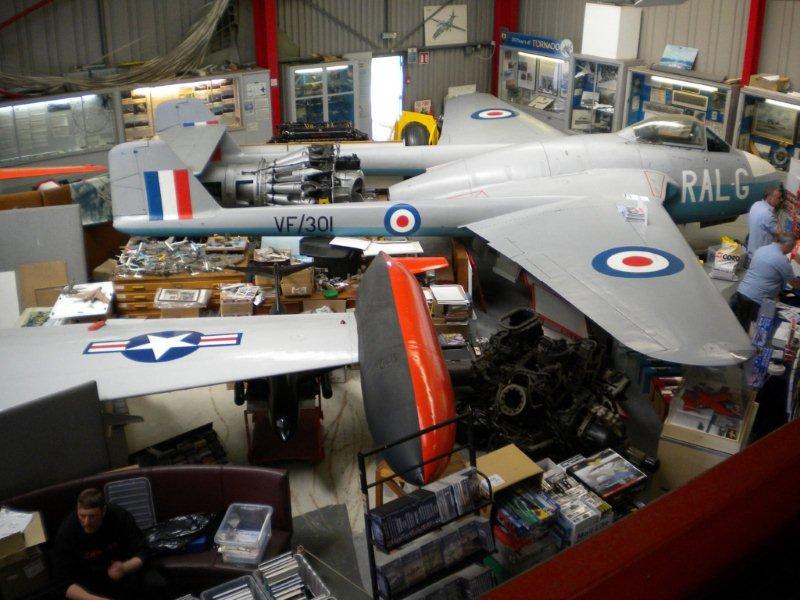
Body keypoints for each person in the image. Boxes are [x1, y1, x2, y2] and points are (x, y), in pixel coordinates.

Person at [52, 488, 167, 600]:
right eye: (82, 516)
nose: (86, 522)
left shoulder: (120, 516)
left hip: (125, 572)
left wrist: (125, 567)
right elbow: (63, 582)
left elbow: (143, 551)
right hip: (90, 582)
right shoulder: (67, 531)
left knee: (156, 584)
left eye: (92, 516)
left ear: (103, 511)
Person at [730, 234, 800, 328]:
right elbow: (795, 284)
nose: (791, 251)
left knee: (734, 327)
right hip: (755, 301)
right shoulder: (782, 259)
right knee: (748, 331)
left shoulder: (762, 249)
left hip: (741, 292)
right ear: (787, 245)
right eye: (792, 247)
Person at [746, 187, 784, 259]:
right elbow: (780, 234)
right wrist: (775, 215)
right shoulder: (768, 214)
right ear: (769, 198)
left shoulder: (756, 204)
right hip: (761, 256)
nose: (781, 200)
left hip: (752, 250)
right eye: (779, 198)